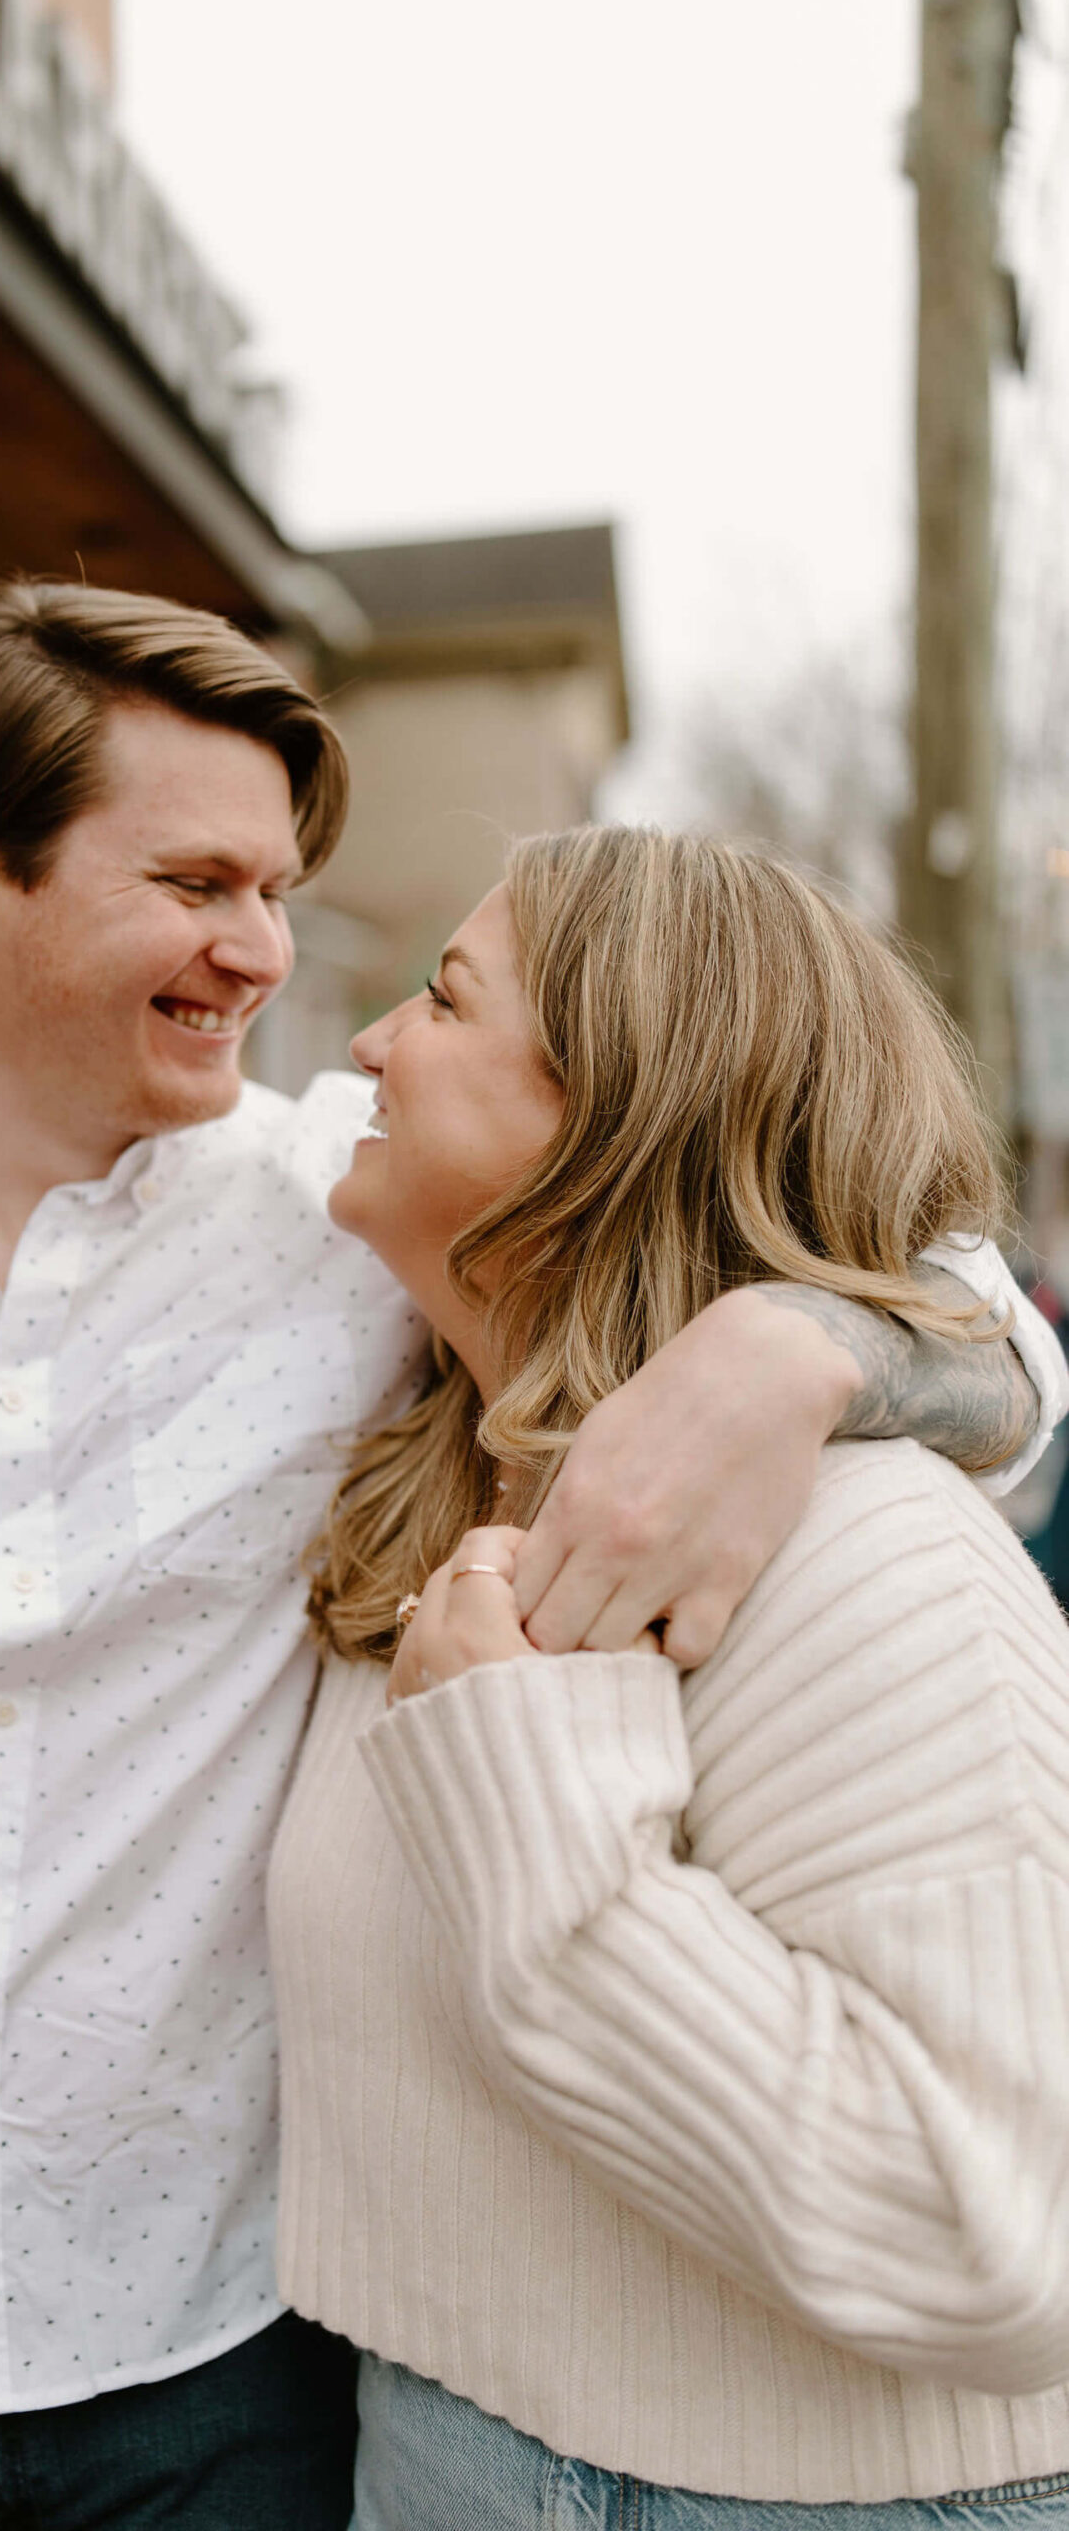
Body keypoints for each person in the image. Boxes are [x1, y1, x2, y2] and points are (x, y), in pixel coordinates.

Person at [0, 586, 1061, 2531]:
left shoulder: (352, 1202)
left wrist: (802, 1343)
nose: (261, 953)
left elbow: (909, 1281)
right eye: (192, 880)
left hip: (222, 2350)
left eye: (277, 885)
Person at [271, 825, 1069, 2530]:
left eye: (440, 996)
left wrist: (529, 1803)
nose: (360, 1040)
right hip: (446, 2441)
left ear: (607, 1110)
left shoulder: (870, 1558)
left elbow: (997, 2239)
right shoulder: (447, 1475)